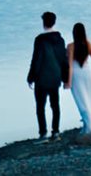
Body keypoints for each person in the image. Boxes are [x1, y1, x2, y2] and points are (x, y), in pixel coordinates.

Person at [26, 11, 68, 140]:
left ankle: (43, 133)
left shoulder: (40, 40)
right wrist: (65, 78)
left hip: (42, 78)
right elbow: (63, 60)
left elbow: (36, 59)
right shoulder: (60, 40)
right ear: (54, 22)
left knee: (40, 107)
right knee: (55, 105)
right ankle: (55, 132)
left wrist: (31, 77)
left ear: (43, 23)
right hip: (55, 77)